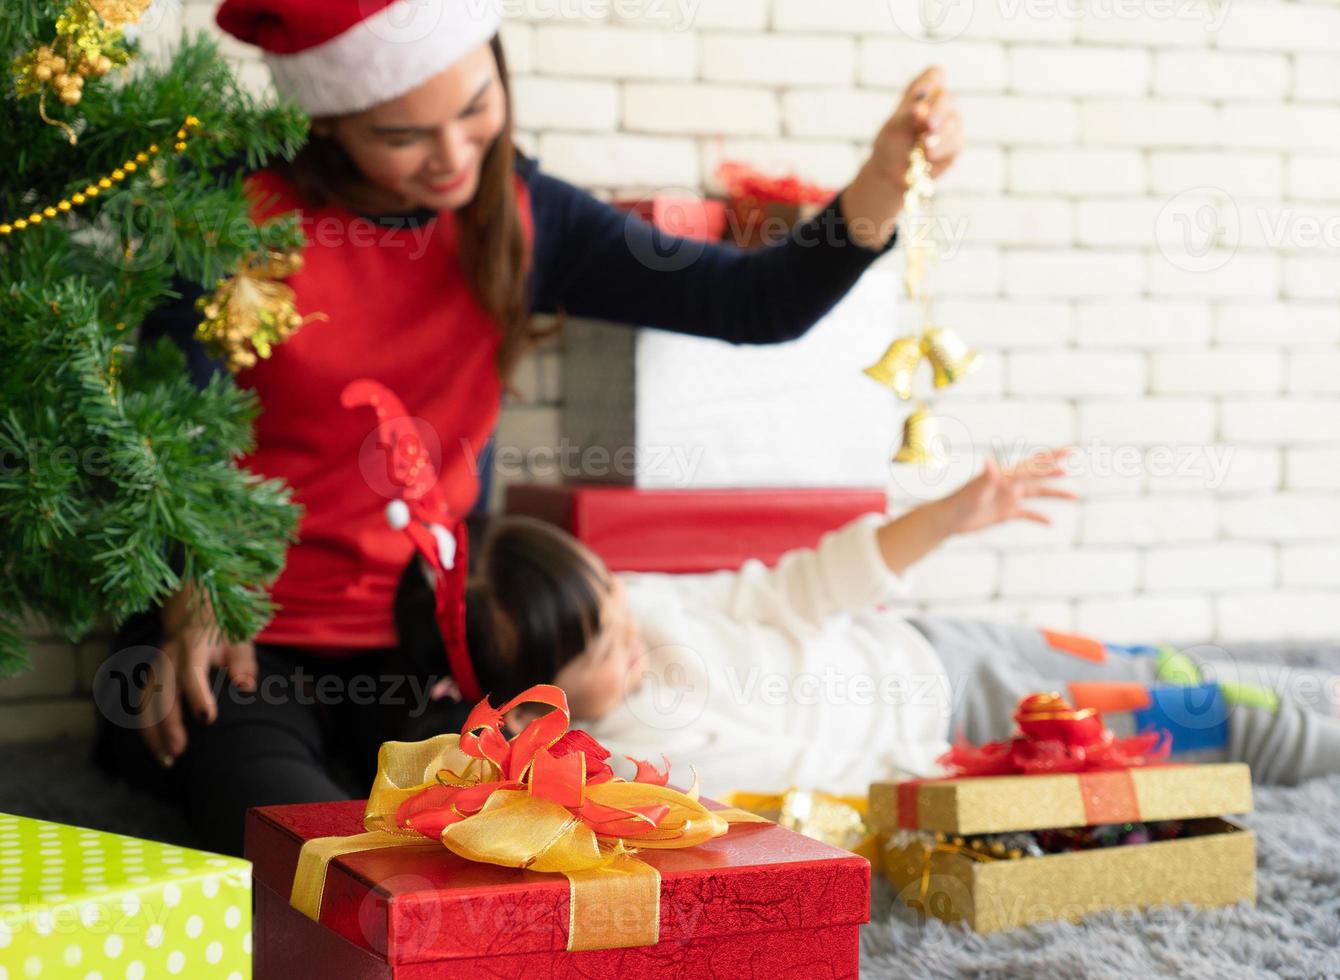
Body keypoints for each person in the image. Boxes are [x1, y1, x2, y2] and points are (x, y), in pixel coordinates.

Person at [95, 0, 966, 855]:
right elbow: (168, 431)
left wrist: (882, 184)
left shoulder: (521, 210)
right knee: (313, 855)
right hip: (250, 638)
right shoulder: (231, 215)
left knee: (494, 845)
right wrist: (193, 589)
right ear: (331, 123)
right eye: (402, 136)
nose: (452, 156)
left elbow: (751, 303)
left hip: (436, 648)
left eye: (476, 109)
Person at [396, 448, 1340, 800]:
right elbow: (816, 785)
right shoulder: (646, 761)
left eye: (613, 597)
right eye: (603, 646)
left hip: (929, 646)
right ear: (523, 714)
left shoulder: (646, 605)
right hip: (968, 732)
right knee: (1214, 723)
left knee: (1150, 663)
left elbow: (796, 588)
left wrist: (943, 519)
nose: (628, 626)